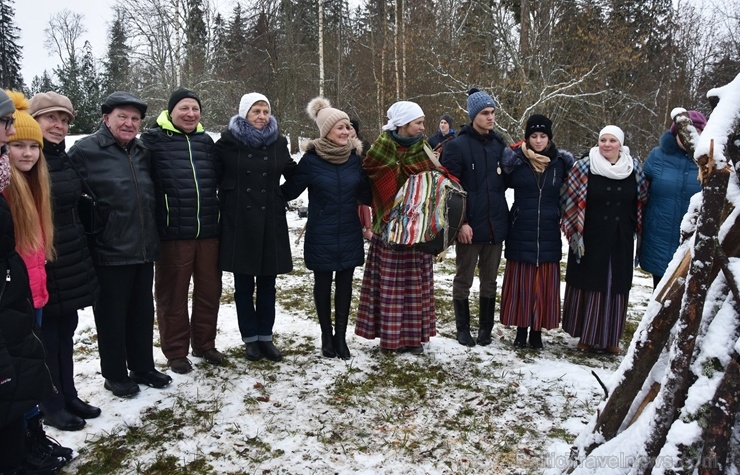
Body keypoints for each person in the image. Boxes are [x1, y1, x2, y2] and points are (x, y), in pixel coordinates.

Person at [69, 92, 171, 397]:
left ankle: (142, 366)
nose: (129, 123)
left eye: (135, 118)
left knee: (141, 312)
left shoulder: (142, 150)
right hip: (108, 249)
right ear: (106, 119)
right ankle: (114, 374)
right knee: (112, 317)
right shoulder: (84, 151)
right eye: (122, 117)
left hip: (143, 247)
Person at [0, 89, 66, 475]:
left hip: (30, 294)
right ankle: (24, 442)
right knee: (20, 376)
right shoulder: (7, 190)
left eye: (33, 147)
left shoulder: (38, 187)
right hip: (15, 297)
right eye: (18, 144)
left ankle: (32, 435)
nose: (26, 153)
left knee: (30, 368)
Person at [28, 91, 100, 431]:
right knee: (46, 334)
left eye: (64, 120)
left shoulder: (61, 156)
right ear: (34, 121)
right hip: (43, 259)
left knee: (65, 329)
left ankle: (68, 394)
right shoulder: (28, 158)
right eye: (51, 118)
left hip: (70, 255)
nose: (58, 125)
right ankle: (50, 403)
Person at [140, 88, 222, 375]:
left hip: (209, 231)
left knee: (209, 292)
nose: (190, 114)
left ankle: (205, 344)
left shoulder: (205, 141)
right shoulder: (152, 141)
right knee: (172, 295)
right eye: (184, 108)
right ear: (171, 111)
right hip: (173, 234)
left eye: (195, 109)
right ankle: (176, 351)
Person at [282, 97, 370, 359]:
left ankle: (341, 338)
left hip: (349, 231)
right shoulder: (311, 160)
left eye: (347, 127)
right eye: (339, 128)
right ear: (326, 131)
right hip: (321, 232)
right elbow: (289, 190)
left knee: (345, 284)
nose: (345, 132)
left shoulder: (355, 159)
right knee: (323, 285)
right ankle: (325, 337)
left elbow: (366, 195)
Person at [214, 93, 296, 362]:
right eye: (255, 111)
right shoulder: (227, 142)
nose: (262, 116)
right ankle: (249, 338)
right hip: (239, 221)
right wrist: (226, 198)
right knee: (243, 285)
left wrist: (280, 195)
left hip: (270, 220)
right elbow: (213, 175)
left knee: (268, 284)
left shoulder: (278, 143)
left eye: (265, 111)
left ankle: (266, 337)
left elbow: (295, 175)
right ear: (243, 114)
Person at [354, 101, 439, 355]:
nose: (422, 128)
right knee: (389, 287)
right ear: (402, 124)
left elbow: (432, 182)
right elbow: (369, 177)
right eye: (418, 123)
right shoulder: (381, 148)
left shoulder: (424, 150)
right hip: (387, 227)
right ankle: (389, 340)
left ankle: (414, 340)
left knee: (414, 287)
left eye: (422, 122)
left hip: (416, 229)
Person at [561, 125, 648, 354]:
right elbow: (569, 198)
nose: (607, 145)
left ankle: (611, 338)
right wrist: (575, 230)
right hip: (590, 233)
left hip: (620, 235)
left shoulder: (634, 169)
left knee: (615, 285)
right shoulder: (583, 167)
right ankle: (587, 336)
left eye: (612, 141)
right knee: (590, 282)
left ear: (621, 144)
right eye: (603, 140)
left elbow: (642, 200)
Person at [440, 88, 511, 347]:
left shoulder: (499, 145)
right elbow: (451, 189)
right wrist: (462, 223)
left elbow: (506, 180)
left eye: (493, 113)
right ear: (473, 116)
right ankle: (462, 328)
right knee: (464, 278)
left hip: (495, 226)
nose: (491, 118)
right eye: (485, 113)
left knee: (490, 280)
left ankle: (485, 328)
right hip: (469, 227)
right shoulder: (457, 146)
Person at [499, 114, 574, 349]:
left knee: (543, 286)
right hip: (521, 227)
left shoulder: (561, 162)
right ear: (527, 137)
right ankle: (521, 330)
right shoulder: (516, 161)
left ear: (549, 138)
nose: (538, 141)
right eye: (534, 136)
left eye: (543, 136)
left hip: (548, 231)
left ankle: (537, 332)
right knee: (522, 283)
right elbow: (495, 184)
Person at [639, 110, 706, 288]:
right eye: (681, 133)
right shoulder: (657, 156)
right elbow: (640, 190)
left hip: (694, 239)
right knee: (660, 295)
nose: (687, 138)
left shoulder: (709, 162)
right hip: (659, 236)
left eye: (695, 132)